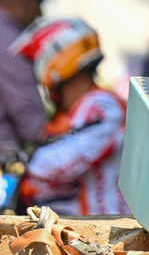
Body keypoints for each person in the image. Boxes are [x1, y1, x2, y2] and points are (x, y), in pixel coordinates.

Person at [10, 16, 131, 216]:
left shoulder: (102, 106)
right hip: (83, 228)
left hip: (108, 233)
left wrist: (23, 168)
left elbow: (57, 165)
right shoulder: (75, 110)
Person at [0, 0, 47, 162]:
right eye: (40, 2)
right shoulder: (10, 42)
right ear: (25, 1)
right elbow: (32, 126)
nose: (40, 14)